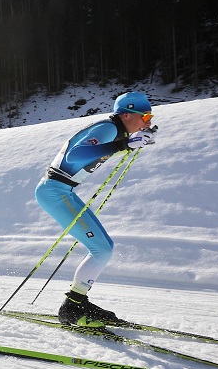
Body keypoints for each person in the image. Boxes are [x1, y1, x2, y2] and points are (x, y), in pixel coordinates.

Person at [35, 91, 157, 327]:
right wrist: (124, 144)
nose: (148, 121)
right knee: (101, 249)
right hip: (55, 191)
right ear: (127, 114)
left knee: (105, 247)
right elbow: (75, 154)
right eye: (145, 116)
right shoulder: (109, 128)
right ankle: (72, 307)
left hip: (62, 190)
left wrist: (130, 142)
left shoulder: (115, 130)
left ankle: (78, 301)